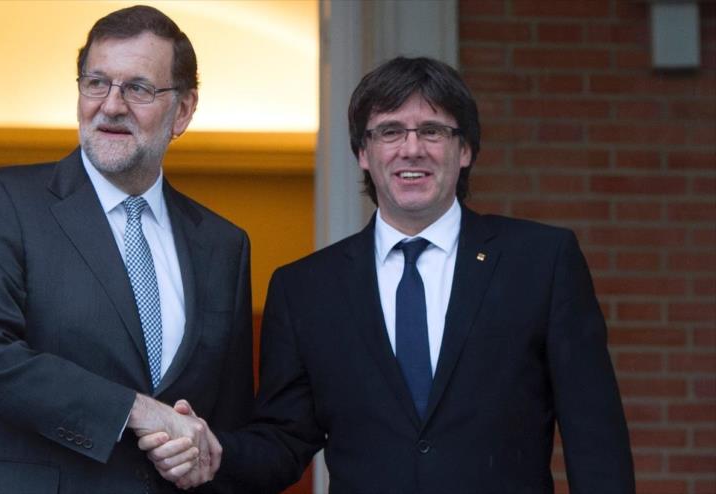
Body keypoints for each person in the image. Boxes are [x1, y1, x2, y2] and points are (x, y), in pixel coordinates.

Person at [143, 56, 635, 493]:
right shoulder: (305, 288)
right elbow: (285, 441)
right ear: (363, 152)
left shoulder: (542, 261)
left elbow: (595, 437)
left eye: (433, 131)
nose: (411, 149)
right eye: (390, 131)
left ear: (465, 151)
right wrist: (214, 451)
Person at [0, 5, 252, 493]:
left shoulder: (223, 244)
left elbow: (227, 422)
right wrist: (136, 409)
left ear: (183, 111)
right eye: (96, 83)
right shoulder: (4, 202)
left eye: (138, 88)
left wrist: (202, 454)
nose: (111, 105)